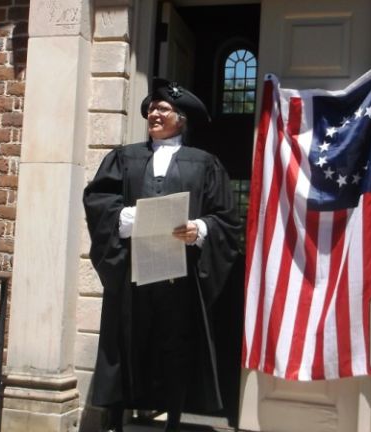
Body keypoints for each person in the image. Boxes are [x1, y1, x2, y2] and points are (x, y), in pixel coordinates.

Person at [83, 78, 242, 432]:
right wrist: (129, 218)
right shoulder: (124, 158)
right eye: (151, 108)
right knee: (124, 345)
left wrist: (199, 230)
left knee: (175, 347)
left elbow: (226, 220)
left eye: (162, 108)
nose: (154, 113)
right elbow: (98, 202)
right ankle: (116, 421)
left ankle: (172, 420)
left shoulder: (205, 163)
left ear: (181, 118)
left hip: (178, 278)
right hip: (131, 274)